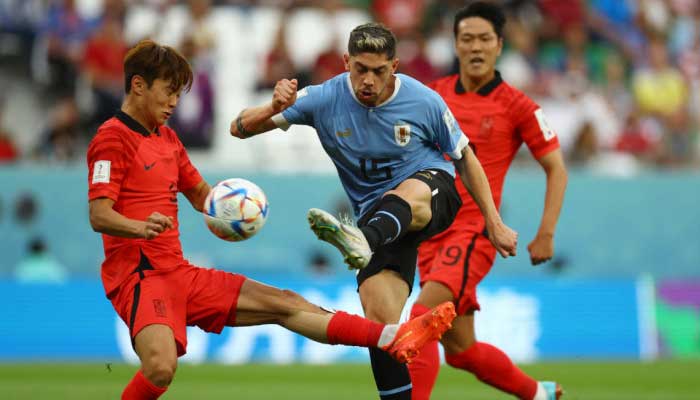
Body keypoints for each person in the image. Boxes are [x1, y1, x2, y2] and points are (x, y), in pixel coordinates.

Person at [86, 39, 456, 400]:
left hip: (179, 273)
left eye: (178, 94)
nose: (173, 103)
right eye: (168, 92)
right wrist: (140, 227)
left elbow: (203, 197)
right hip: (140, 276)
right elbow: (99, 214)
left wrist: (239, 207)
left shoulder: (167, 139)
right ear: (138, 85)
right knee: (160, 368)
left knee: (283, 303)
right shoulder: (112, 139)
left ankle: (392, 337)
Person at [230, 23, 518, 400]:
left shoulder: (423, 101)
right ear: (346, 62)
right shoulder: (322, 98)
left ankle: (359, 239)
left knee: (407, 194)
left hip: (431, 194)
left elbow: (465, 157)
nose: (368, 80)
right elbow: (239, 129)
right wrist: (274, 105)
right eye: (360, 69)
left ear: (394, 66)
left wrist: (494, 223)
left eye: (379, 71)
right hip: (379, 222)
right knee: (380, 328)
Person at [409, 3, 568, 400]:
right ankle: (538, 393)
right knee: (461, 352)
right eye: (467, 39)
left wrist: (545, 233)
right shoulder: (434, 95)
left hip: (472, 233)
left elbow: (557, 168)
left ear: (499, 45)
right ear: (455, 44)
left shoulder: (518, 106)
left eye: (484, 39)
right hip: (429, 234)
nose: (475, 47)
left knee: (420, 319)